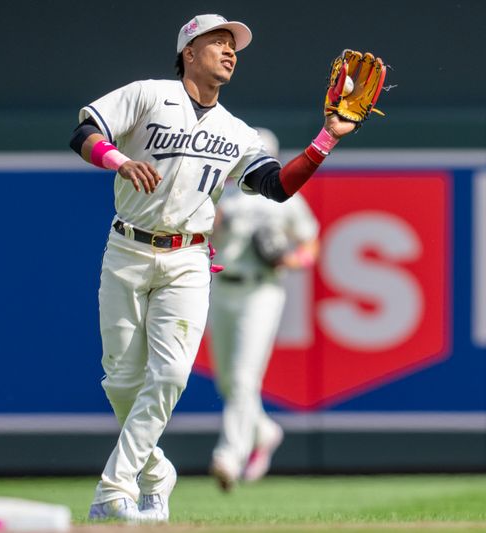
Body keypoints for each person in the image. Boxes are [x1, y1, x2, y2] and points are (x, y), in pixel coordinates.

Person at [68, 13, 376, 524]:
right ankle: (154, 472)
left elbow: (278, 185)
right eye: (218, 41)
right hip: (127, 249)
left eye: (234, 45)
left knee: (168, 374)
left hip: (189, 257)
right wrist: (119, 161)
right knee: (121, 381)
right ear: (190, 51)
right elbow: (83, 132)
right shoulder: (148, 95)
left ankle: (114, 486)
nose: (230, 51)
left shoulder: (236, 132)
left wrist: (327, 138)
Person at [207, 128, 320, 492]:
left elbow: (310, 241)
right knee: (228, 381)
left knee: (242, 379)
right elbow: (205, 235)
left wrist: (291, 259)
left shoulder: (282, 196)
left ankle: (229, 455)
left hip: (261, 290)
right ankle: (264, 431)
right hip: (221, 286)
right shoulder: (222, 192)